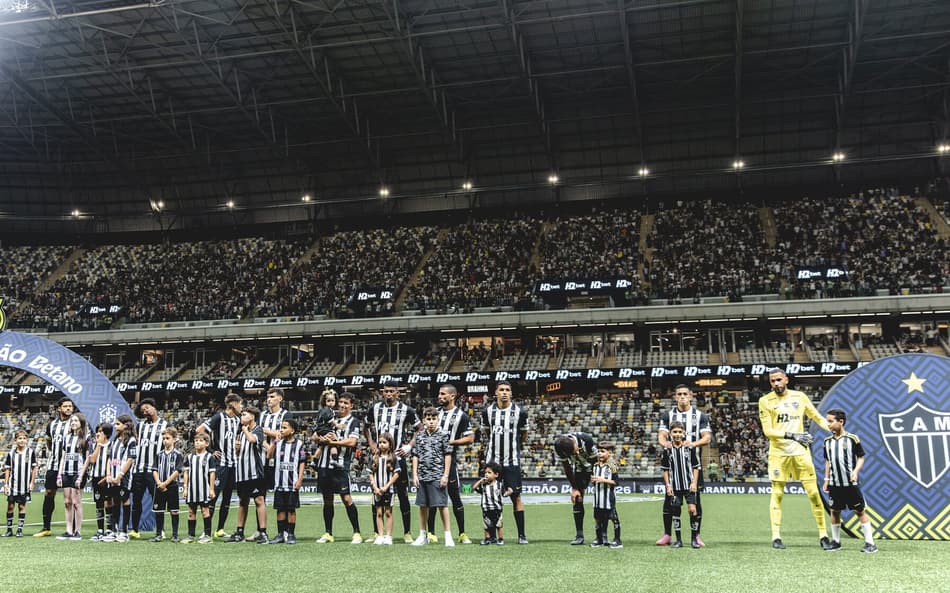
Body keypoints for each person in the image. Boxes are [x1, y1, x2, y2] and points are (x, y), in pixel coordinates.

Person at [758, 368, 833, 550]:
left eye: (778, 379)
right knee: (777, 494)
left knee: (813, 493)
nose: (776, 383)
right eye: (772, 381)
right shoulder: (765, 401)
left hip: (800, 453)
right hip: (778, 454)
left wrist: (836, 430)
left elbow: (817, 418)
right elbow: (768, 431)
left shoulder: (800, 397)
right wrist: (793, 435)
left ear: (786, 379)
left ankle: (823, 535)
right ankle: (776, 537)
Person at [364, 381, 421, 543]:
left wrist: (409, 445)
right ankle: (377, 533)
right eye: (386, 391)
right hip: (379, 458)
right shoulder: (375, 408)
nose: (388, 394)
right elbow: (365, 427)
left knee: (403, 495)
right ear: (382, 392)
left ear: (397, 392)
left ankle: (407, 532)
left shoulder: (406, 410)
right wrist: (371, 443)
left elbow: (420, 428)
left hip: (397, 458)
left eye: (391, 391)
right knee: (376, 495)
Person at [657, 384, 712, 546]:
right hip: (674, 467)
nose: (682, 397)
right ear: (675, 397)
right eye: (679, 394)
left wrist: (693, 444)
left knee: (695, 502)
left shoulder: (700, 416)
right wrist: (665, 444)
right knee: (669, 501)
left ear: (690, 396)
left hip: (692, 467)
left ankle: (696, 535)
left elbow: (707, 438)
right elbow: (661, 435)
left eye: (685, 394)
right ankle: (668, 535)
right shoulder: (668, 415)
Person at [823, 408, 878, 553]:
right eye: (827, 421)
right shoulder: (827, 441)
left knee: (859, 511)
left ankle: (870, 543)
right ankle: (836, 542)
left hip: (850, 483)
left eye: (830, 421)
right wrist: (826, 479)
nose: (828, 424)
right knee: (835, 511)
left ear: (841, 422)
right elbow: (828, 461)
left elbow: (861, 457)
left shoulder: (853, 439)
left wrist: (855, 471)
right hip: (835, 483)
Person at [480, 380, 529, 544]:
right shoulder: (487, 412)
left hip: (512, 462)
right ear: (496, 393)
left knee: (516, 497)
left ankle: (521, 535)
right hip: (492, 463)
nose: (504, 393)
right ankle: (492, 536)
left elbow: (523, 435)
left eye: (507, 390)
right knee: (489, 496)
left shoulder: (520, 412)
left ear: (511, 393)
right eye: (501, 390)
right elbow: (487, 432)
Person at [313, 391, 363, 544]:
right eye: (340, 402)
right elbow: (314, 435)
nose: (342, 405)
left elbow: (352, 442)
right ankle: (328, 533)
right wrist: (321, 438)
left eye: (346, 403)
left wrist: (333, 442)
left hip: (340, 466)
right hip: (324, 465)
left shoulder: (353, 421)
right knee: (327, 499)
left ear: (351, 406)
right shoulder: (329, 416)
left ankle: (357, 532)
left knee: (346, 498)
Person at [427, 383, 474, 544]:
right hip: (432, 462)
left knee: (455, 496)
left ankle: (462, 533)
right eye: (439, 394)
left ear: (452, 396)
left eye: (443, 394)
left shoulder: (461, 416)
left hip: (450, 461)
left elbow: (470, 438)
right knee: (432, 498)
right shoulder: (434, 413)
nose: (439, 396)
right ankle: (431, 533)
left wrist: (452, 442)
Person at [197, 391, 242, 538]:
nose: (241, 407)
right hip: (220, 464)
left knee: (227, 497)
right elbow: (200, 430)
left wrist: (237, 446)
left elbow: (234, 438)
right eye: (240, 404)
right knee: (213, 497)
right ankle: (206, 531)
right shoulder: (219, 417)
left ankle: (220, 529)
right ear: (233, 404)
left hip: (232, 463)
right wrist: (210, 450)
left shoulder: (237, 420)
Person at [410, 407, 454, 547]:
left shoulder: (443, 435)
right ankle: (422, 535)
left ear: (438, 420)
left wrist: (445, 475)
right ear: (424, 420)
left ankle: (448, 535)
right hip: (422, 476)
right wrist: (415, 474)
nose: (431, 422)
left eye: (434, 419)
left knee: (442, 505)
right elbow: (415, 455)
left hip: (437, 475)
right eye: (428, 419)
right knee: (422, 506)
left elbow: (448, 455)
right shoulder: (419, 436)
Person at [226, 406, 268, 543]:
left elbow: (253, 440)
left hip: (255, 473)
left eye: (244, 414)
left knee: (259, 500)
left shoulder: (258, 430)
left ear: (252, 416)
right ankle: (239, 532)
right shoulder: (240, 433)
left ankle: (263, 532)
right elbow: (239, 452)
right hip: (242, 473)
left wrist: (245, 430)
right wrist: (237, 449)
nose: (241, 417)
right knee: (243, 501)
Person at [35, 397, 74, 537]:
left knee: (71, 497)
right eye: (66, 406)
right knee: (49, 493)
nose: (68, 408)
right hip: (54, 464)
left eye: (70, 406)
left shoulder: (75, 423)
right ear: (59, 408)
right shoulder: (51, 425)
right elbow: (48, 442)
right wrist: (55, 452)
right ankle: (46, 528)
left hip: (70, 466)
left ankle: (73, 529)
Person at [660, 421, 701, 548]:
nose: (677, 434)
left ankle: (694, 539)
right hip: (675, 487)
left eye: (679, 432)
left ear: (683, 433)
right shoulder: (667, 450)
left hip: (689, 486)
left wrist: (694, 483)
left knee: (692, 510)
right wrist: (668, 485)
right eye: (675, 432)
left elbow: (696, 467)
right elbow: (665, 469)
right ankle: (678, 540)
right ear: (670, 433)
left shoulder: (689, 448)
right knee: (675, 512)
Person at [130, 398, 167, 539]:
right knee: (136, 501)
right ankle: (135, 530)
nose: (145, 411)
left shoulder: (165, 425)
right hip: (139, 469)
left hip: (154, 471)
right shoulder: (140, 426)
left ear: (154, 407)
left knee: (157, 501)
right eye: (143, 410)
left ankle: (160, 531)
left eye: (147, 407)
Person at [553, 431, 598, 545]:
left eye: (576, 449)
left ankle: (601, 535)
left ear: (574, 442)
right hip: (579, 469)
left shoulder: (586, 440)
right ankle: (579, 535)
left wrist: (596, 478)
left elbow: (596, 461)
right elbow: (567, 467)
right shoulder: (559, 446)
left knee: (601, 499)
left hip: (595, 467)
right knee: (577, 499)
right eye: (574, 453)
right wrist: (574, 488)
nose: (577, 452)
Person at [266, 417, 306, 545]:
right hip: (279, 483)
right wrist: (274, 442)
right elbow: (268, 455)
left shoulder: (299, 444)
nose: (281, 430)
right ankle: (280, 534)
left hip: (292, 483)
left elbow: (302, 462)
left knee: (291, 509)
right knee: (280, 509)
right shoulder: (278, 443)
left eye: (284, 427)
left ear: (292, 430)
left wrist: (300, 479)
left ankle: (291, 534)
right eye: (281, 427)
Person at [103, 414, 137, 542]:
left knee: (125, 500)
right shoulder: (115, 440)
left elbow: (130, 459)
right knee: (115, 500)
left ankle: (124, 531)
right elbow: (109, 458)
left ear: (125, 425)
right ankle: (114, 530)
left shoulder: (131, 441)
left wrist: (120, 475)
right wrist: (108, 474)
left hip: (124, 477)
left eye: (118, 424)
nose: (115, 426)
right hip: (112, 476)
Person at [57, 412, 89, 540]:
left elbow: (87, 459)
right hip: (66, 472)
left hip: (78, 473)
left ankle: (78, 531)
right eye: (72, 421)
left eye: (76, 421)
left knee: (76, 502)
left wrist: (81, 476)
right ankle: (68, 530)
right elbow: (63, 457)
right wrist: (59, 475)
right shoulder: (67, 437)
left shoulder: (86, 439)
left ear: (81, 423)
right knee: (67, 502)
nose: (73, 423)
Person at [181, 432, 217, 544]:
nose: (197, 443)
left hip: (204, 489)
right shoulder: (189, 457)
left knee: (205, 511)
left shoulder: (209, 457)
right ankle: (190, 535)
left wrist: (211, 489)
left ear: (206, 443)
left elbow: (212, 474)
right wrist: (185, 488)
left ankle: (207, 535)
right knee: (191, 512)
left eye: (201, 441)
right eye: (196, 441)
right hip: (192, 489)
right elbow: (186, 473)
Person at [2, 430, 37, 538]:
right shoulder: (11, 454)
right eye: (20, 438)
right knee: (10, 506)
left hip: (24, 486)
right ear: (15, 440)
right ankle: (9, 530)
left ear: (27, 440)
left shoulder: (30, 452)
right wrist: (6, 484)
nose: (22, 440)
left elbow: (34, 468)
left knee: (22, 506)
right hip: (13, 485)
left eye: (24, 438)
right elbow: (7, 469)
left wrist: (32, 483)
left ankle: (19, 530)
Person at [151, 427, 183, 542]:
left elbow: (177, 471)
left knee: (174, 510)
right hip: (159, 486)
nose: (165, 440)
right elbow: (154, 469)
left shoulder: (177, 454)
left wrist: (165, 483)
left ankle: (175, 535)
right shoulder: (159, 454)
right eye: (163, 438)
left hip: (172, 486)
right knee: (159, 511)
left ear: (174, 439)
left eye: (167, 438)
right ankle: (159, 534)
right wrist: (159, 483)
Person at [260, 387, 292, 500]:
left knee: (281, 492)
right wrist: (267, 446)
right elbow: (257, 433)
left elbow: (285, 433)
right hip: (263, 458)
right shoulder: (262, 415)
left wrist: (266, 431)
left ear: (280, 399)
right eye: (268, 397)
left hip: (280, 458)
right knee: (260, 494)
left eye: (272, 397)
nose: (269, 399)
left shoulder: (286, 414)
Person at [82, 423, 112, 541]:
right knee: (98, 503)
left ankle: (109, 529)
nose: (98, 433)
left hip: (107, 477)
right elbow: (92, 460)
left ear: (107, 433)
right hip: (96, 477)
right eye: (97, 431)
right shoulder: (93, 445)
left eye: (101, 431)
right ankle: (100, 530)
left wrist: (108, 476)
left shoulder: (112, 445)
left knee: (108, 503)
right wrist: (99, 445)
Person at [370, 433, 400, 545]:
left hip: (389, 490)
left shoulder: (393, 458)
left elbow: (396, 474)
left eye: (384, 442)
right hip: (377, 491)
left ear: (390, 444)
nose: (381, 444)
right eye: (380, 442)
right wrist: (375, 487)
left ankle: (388, 536)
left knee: (388, 512)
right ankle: (380, 536)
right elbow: (371, 473)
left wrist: (386, 486)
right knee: (378, 513)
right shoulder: (375, 458)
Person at [590, 442, 621, 549]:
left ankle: (617, 540)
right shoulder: (595, 466)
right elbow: (595, 481)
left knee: (613, 518)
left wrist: (602, 480)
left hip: (608, 498)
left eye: (602, 451)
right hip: (597, 498)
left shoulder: (612, 466)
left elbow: (616, 482)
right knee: (598, 519)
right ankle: (599, 539)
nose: (599, 454)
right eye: (598, 451)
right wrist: (593, 481)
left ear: (610, 453)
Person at [473, 462, 507, 545]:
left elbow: (504, 494)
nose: (486, 474)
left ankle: (500, 538)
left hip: (497, 508)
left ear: (496, 474)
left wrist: (509, 492)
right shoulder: (483, 485)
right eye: (485, 472)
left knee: (499, 525)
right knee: (487, 525)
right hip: (486, 508)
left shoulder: (499, 485)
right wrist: (480, 481)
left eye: (489, 472)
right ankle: (487, 538)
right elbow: (474, 487)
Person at [313, 389, 341, 467]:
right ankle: (334, 460)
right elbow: (330, 419)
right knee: (333, 444)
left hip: (320, 430)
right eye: (328, 401)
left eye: (332, 400)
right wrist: (337, 425)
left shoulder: (322, 410)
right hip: (326, 430)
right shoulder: (327, 410)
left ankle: (314, 461)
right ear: (324, 401)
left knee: (321, 446)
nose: (331, 402)